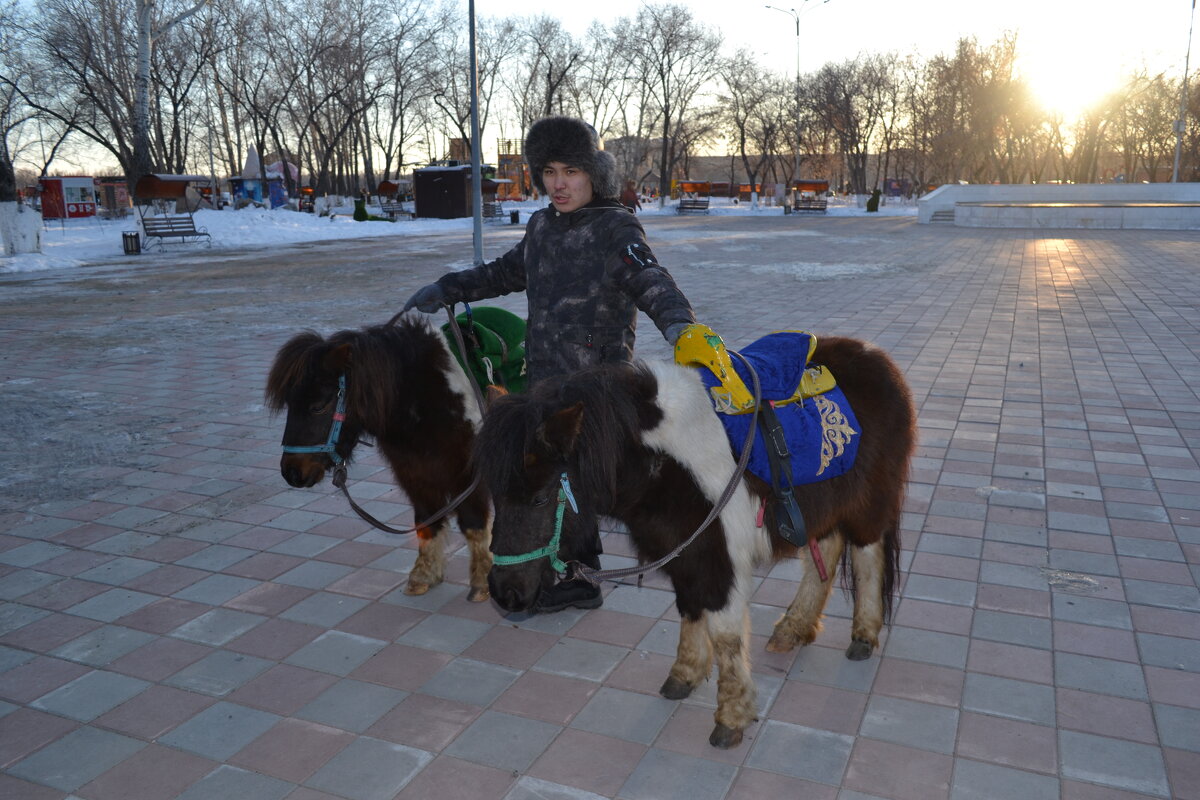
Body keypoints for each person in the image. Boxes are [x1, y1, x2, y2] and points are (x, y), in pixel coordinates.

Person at [403, 116, 720, 612]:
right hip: (544, 381)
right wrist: (449, 287)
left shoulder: (615, 226)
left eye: (570, 170)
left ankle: (581, 579)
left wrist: (682, 327)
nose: (558, 183)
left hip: (597, 385)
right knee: (551, 481)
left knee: (577, 481)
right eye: (548, 171)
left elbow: (651, 278)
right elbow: (506, 271)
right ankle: (557, 565)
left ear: (595, 172)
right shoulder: (541, 225)